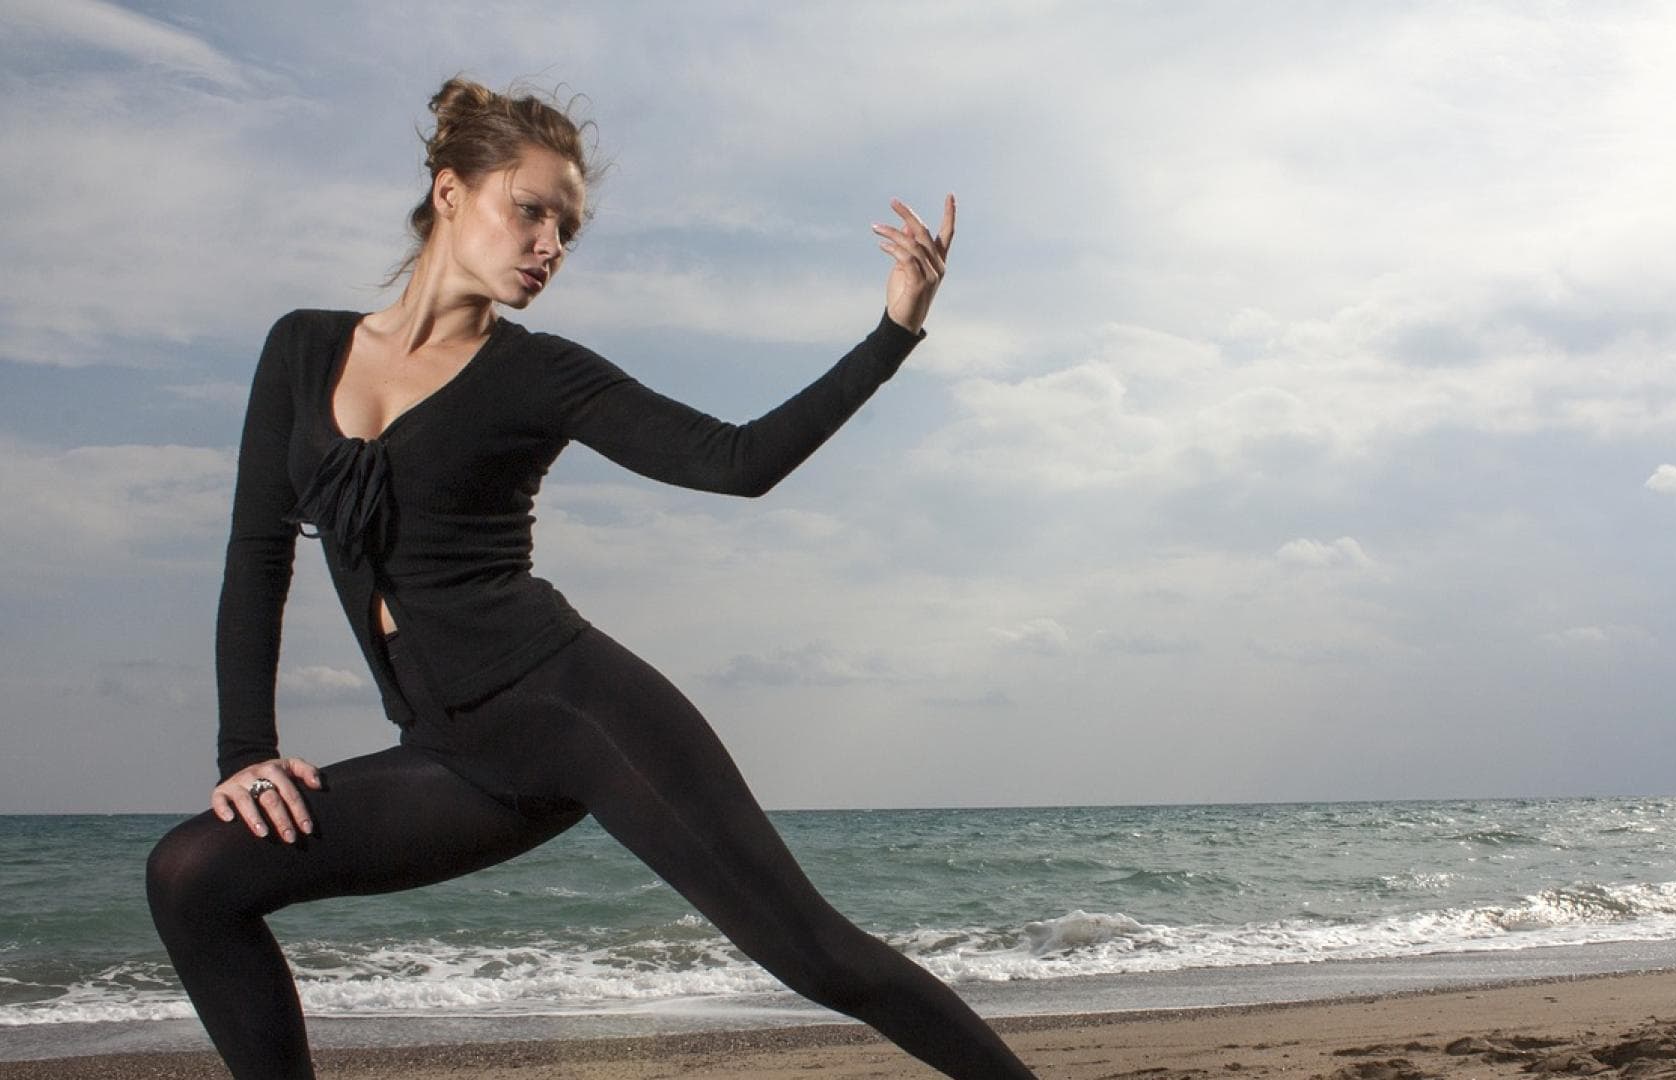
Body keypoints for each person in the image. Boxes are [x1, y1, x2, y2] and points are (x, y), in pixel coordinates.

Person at [145, 77, 1039, 1080]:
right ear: (451, 192)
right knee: (191, 874)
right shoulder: (303, 350)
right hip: (451, 754)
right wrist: (245, 750)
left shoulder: (539, 372)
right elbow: (256, 550)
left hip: (580, 713)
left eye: (567, 229)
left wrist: (894, 333)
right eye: (531, 210)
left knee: (821, 958)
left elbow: (737, 462)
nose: (550, 246)